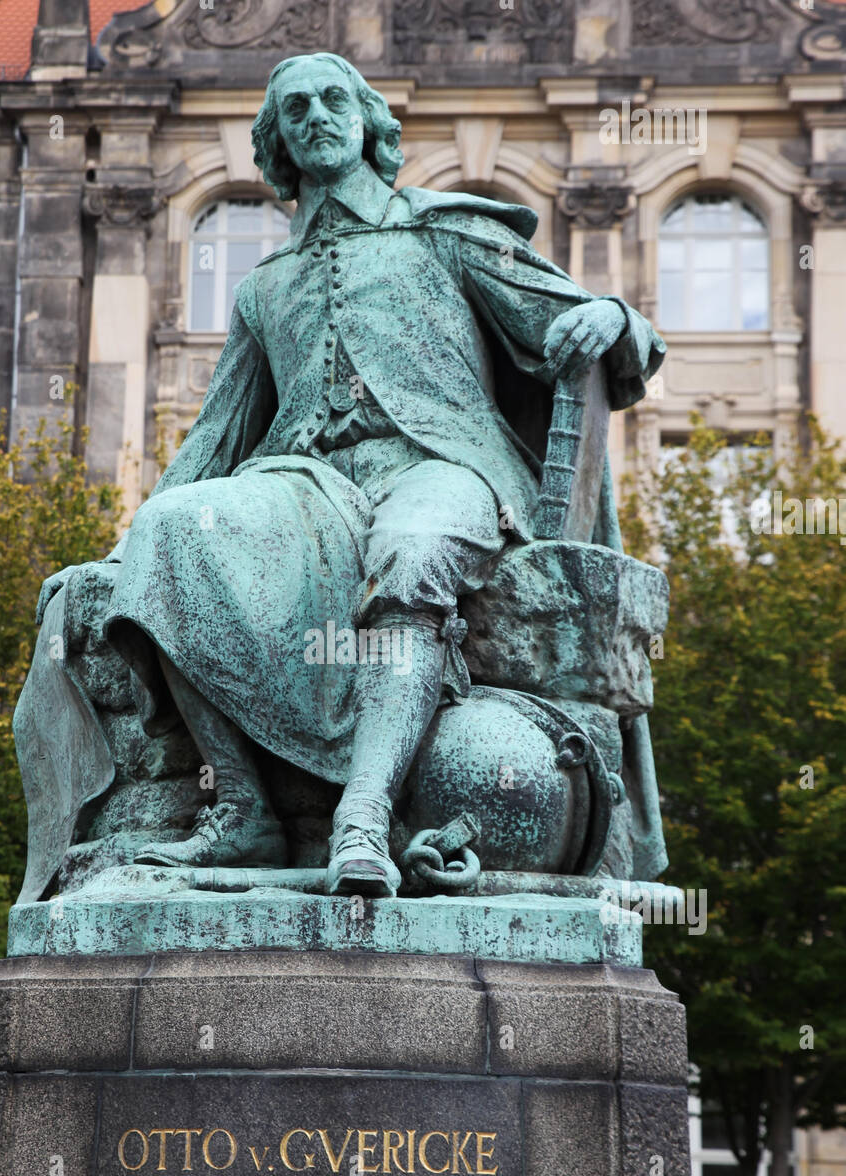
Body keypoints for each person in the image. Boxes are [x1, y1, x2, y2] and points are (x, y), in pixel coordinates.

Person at [33, 51, 665, 899]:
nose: (316, 117)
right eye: (294, 110)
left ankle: (361, 819)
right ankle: (243, 813)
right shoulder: (265, 288)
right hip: (308, 479)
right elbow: (215, 437)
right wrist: (123, 549)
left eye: (334, 101)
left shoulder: (442, 229)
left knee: (409, 552)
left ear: (369, 122)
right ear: (279, 144)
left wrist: (611, 316)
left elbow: (590, 324)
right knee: (170, 534)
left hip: (442, 466)